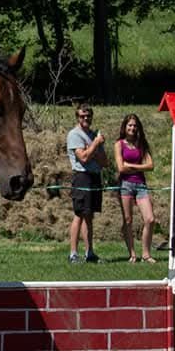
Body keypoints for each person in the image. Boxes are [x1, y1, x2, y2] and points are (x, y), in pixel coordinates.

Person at [67, 104, 109, 264]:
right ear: (77, 117)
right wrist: (95, 145)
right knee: (79, 214)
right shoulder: (74, 135)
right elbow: (83, 158)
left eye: (88, 116)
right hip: (82, 177)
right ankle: (73, 254)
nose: (86, 119)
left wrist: (92, 148)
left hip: (95, 176)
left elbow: (105, 162)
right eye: (82, 116)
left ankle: (89, 252)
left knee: (89, 216)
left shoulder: (94, 135)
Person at [114, 114, 156, 263]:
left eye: (135, 126)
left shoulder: (141, 144)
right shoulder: (119, 144)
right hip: (125, 185)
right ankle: (132, 253)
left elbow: (150, 165)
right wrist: (137, 167)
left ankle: (146, 254)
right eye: (130, 125)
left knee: (150, 219)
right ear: (125, 127)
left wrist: (131, 166)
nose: (132, 128)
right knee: (128, 220)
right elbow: (121, 168)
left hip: (141, 185)